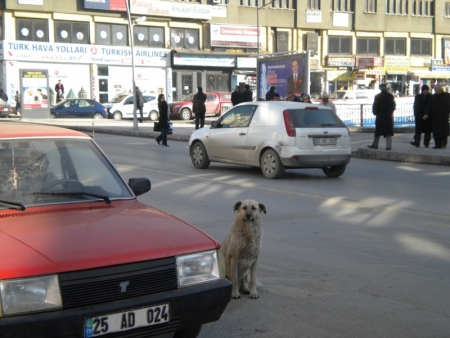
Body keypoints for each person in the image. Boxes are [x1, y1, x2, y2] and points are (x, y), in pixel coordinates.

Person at [367, 84, 396, 151]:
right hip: (388, 116)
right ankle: (389, 146)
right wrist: (391, 112)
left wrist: (375, 113)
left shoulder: (377, 96)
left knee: (378, 131)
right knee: (388, 132)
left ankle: (375, 145)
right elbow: (393, 106)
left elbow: (375, 106)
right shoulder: (390, 96)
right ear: (386, 88)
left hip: (380, 116)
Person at [424, 84, 450, 149]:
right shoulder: (432, 97)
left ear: (440, 88)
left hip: (444, 116)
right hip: (435, 117)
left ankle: (443, 143)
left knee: (443, 131)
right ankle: (437, 144)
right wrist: (426, 114)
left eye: (436, 89)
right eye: (434, 89)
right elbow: (428, 106)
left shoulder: (447, 96)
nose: (435, 90)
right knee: (436, 131)